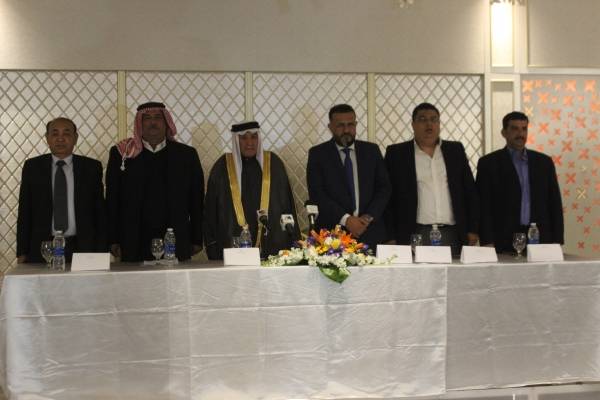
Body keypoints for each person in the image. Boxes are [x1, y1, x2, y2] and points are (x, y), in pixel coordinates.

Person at [106, 102, 204, 262]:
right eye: (147, 118)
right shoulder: (123, 154)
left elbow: (196, 200)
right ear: (139, 123)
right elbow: (112, 199)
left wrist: (197, 238)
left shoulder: (186, 155)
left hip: (175, 236)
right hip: (133, 238)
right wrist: (112, 239)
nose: (153, 122)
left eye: (158, 117)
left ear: (167, 123)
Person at [384, 102, 479, 254]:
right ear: (413, 125)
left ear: (439, 124)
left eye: (434, 119)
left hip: (452, 232)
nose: (429, 124)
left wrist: (473, 229)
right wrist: (390, 236)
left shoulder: (455, 150)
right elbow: (388, 198)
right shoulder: (397, 153)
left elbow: (469, 192)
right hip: (414, 232)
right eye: (422, 119)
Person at [204, 121, 300, 259]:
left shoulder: (273, 163)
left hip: (273, 246)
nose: (250, 143)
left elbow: (288, 205)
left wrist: (295, 239)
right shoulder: (222, 167)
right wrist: (211, 244)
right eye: (244, 138)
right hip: (233, 247)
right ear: (236, 140)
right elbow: (210, 211)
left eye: (254, 137)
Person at [16, 117, 106, 263]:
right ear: (47, 138)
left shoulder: (91, 168)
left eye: (66, 134)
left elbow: (100, 212)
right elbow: (25, 211)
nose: (60, 139)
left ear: (75, 138)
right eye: (55, 134)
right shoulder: (33, 167)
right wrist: (22, 251)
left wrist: (102, 250)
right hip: (43, 247)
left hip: (83, 247)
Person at [476, 111, 564, 252]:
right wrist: (487, 240)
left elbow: (554, 203)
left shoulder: (544, 162)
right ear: (504, 132)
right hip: (502, 239)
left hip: (540, 238)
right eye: (515, 129)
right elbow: (484, 205)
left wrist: (557, 239)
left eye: (524, 129)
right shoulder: (489, 163)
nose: (520, 134)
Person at [306, 104, 391, 248]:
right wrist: (346, 220)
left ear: (356, 125)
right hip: (333, 236)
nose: (346, 130)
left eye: (350, 125)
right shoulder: (318, 154)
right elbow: (317, 193)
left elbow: (384, 188)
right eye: (340, 125)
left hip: (370, 232)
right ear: (330, 127)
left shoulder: (371, 151)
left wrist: (367, 218)